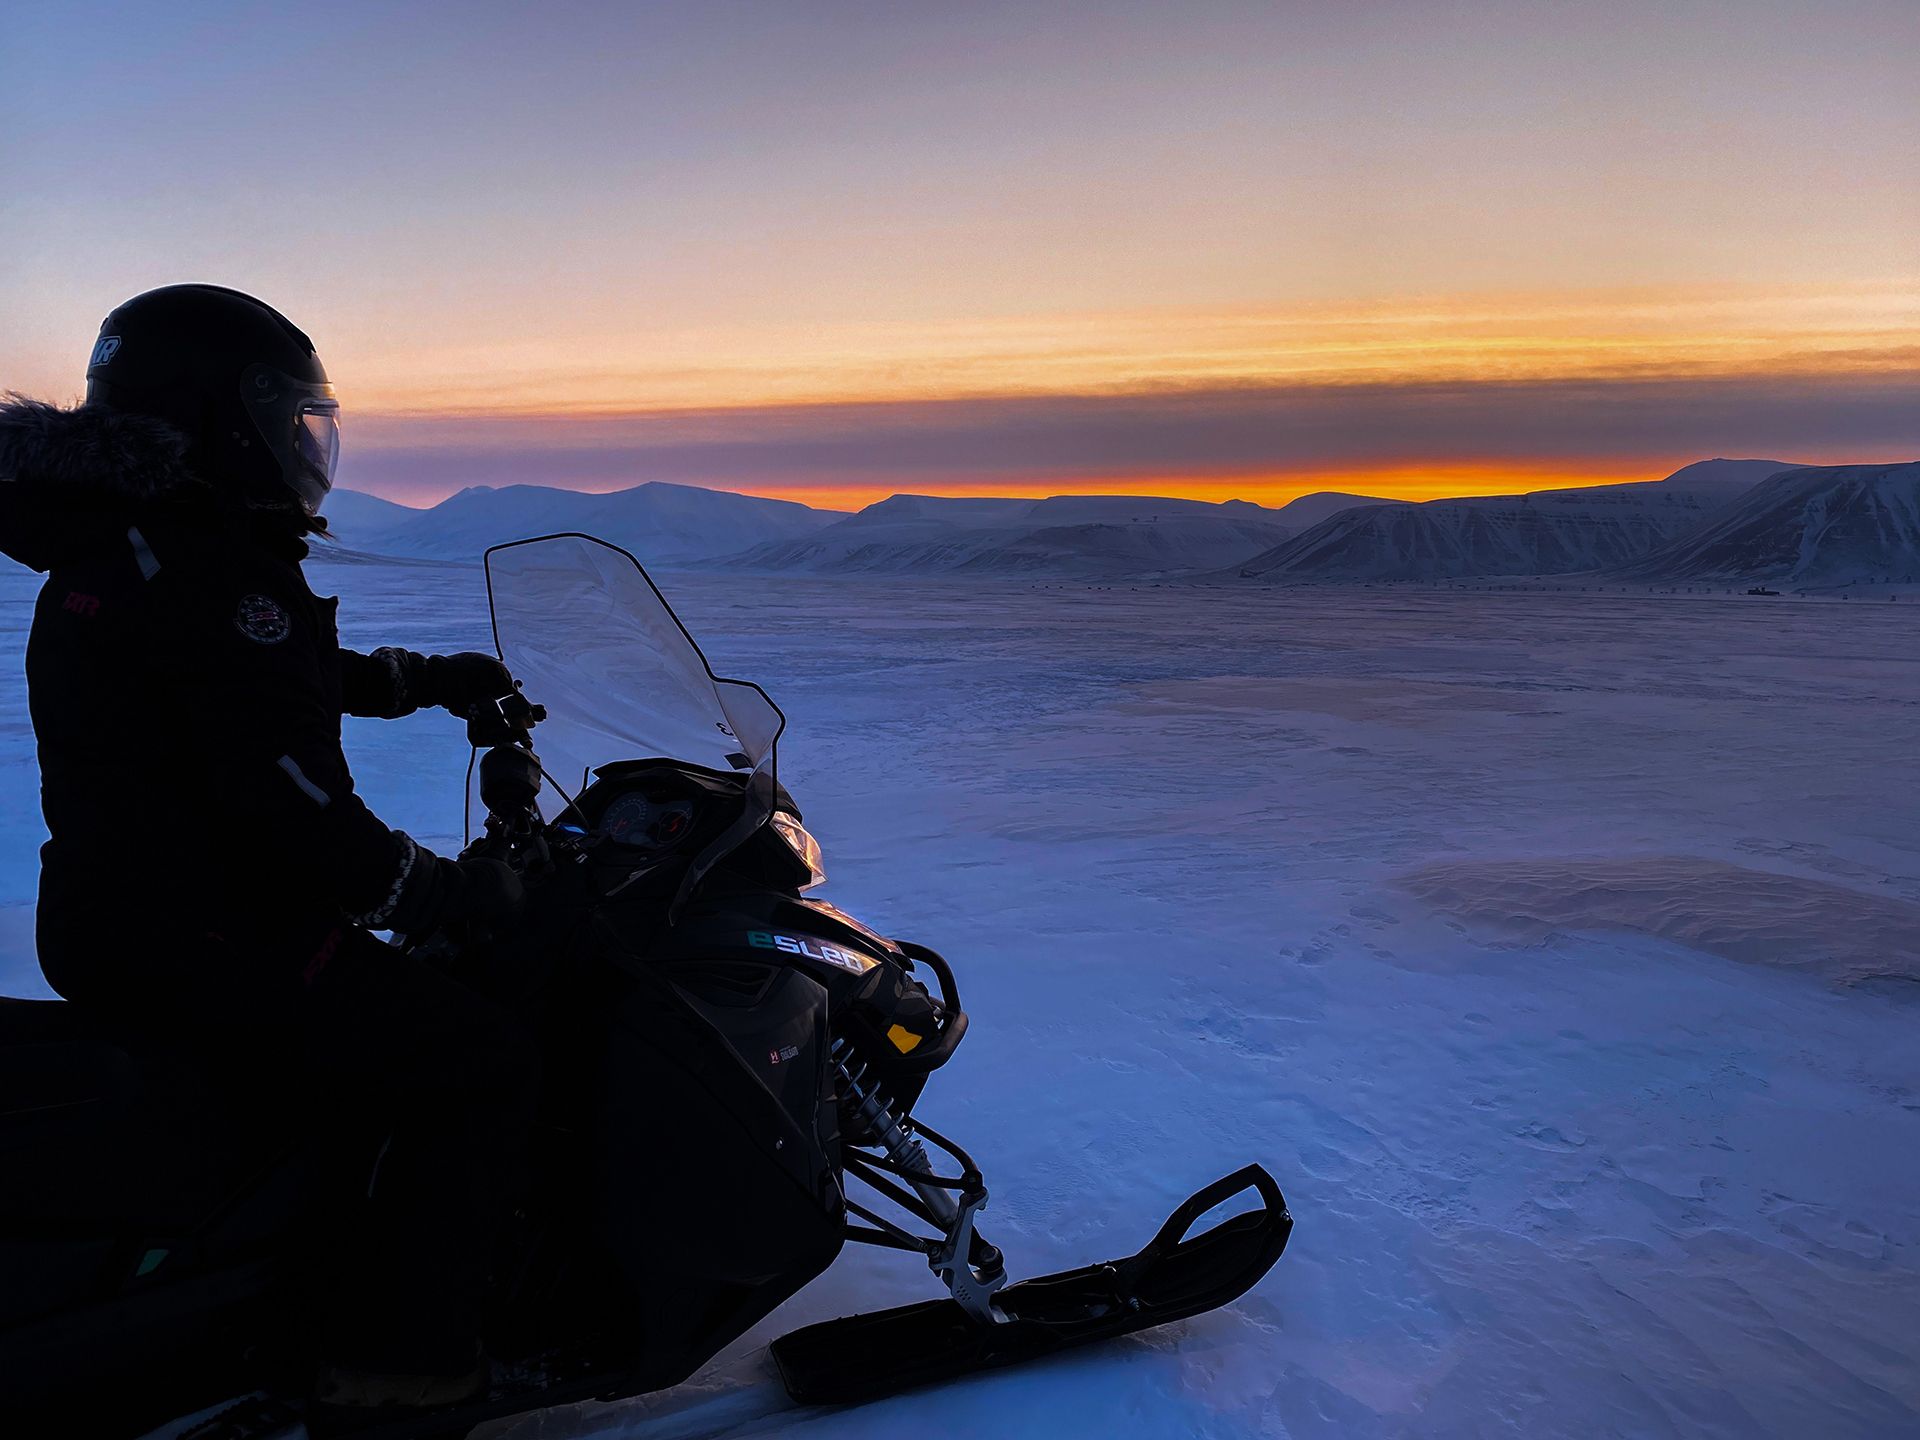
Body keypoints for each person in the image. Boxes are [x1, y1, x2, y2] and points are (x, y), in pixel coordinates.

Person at [0, 285, 537, 1409]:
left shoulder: (131, 544)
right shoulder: (206, 561)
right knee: (477, 1059)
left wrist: (413, 680)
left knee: (338, 1066)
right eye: (291, 418)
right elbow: (284, 800)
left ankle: (299, 1282)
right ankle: (406, 1371)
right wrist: (433, 894)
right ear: (220, 415)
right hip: (214, 928)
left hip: (118, 914)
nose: (306, 445)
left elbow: (234, 687)